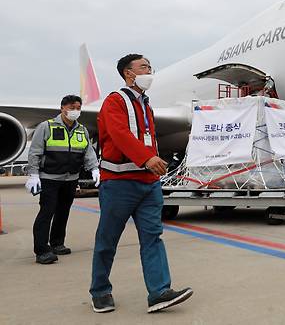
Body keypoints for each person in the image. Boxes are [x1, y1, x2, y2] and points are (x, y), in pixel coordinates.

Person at [89, 54, 193, 314]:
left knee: (153, 238)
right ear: (128, 73)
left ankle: (159, 292)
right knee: (107, 239)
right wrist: (147, 158)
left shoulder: (146, 105)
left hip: (149, 184)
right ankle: (100, 291)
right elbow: (119, 134)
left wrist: (153, 166)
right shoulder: (114, 101)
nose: (150, 71)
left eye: (150, 66)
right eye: (144, 67)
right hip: (120, 184)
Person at [25, 94, 100, 264]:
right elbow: (35, 152)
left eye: (78, 108)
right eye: (72, 107)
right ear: (62, 108)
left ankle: (57, 243)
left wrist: (94, 168)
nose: (75, 111)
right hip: (49, 178)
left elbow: (88, 151)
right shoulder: (47, 126)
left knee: (63, 212)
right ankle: (42, 250)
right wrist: (33, 174)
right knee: (47, 212)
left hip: (71, 178)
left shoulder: (82, 130)